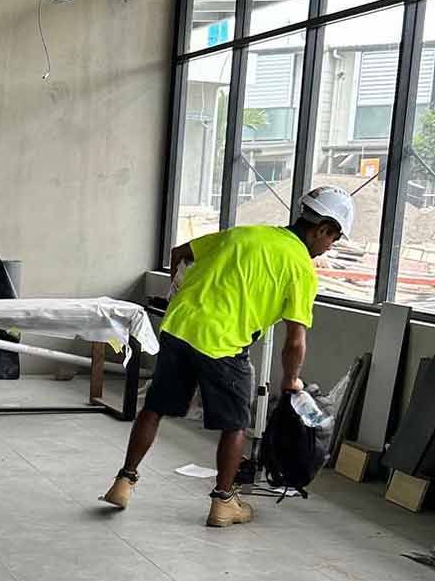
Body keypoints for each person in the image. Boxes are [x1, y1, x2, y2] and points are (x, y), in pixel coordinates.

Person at [101, 185, 353, 527]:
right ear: (322, 228)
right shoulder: (301, 269)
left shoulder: (244, 233)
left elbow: (180, 252)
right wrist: (291, 379)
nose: (330, 247)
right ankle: (223, 503)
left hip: (179, 327)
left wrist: (176, 292)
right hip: (224, 343)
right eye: (333, 239)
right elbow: (295, 339)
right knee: (235, 425)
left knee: (155, 408)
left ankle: (124, 482)